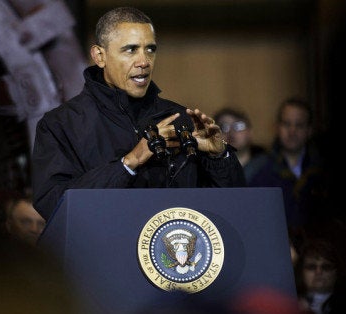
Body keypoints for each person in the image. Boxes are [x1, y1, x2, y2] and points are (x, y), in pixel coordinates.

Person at [31, 7, 246, 220]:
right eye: (131, 50)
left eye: (150, 49)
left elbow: (231, 208)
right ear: (100, 56)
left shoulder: (182, 119)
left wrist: (218, 158)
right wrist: (129, 163)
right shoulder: (60, 124)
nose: (144, 62)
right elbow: (53, 203)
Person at [247, 97, 329, 232]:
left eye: (299, 125)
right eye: (286, 124)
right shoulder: (257, 169)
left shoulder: (325, 170)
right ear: (277, 127)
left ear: (309, 130)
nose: (292, 131)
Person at [214, 107, 268, 183]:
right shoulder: (206, 172)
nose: (231, 133)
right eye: (224, 128)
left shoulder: (269, 167)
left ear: (250, 132)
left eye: (239, 126)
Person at [295, 237, 346, 314]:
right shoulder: (288, 303)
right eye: (311, 267)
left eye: (326, 267)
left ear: (337, 272)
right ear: (301, 272)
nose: (318, 272)